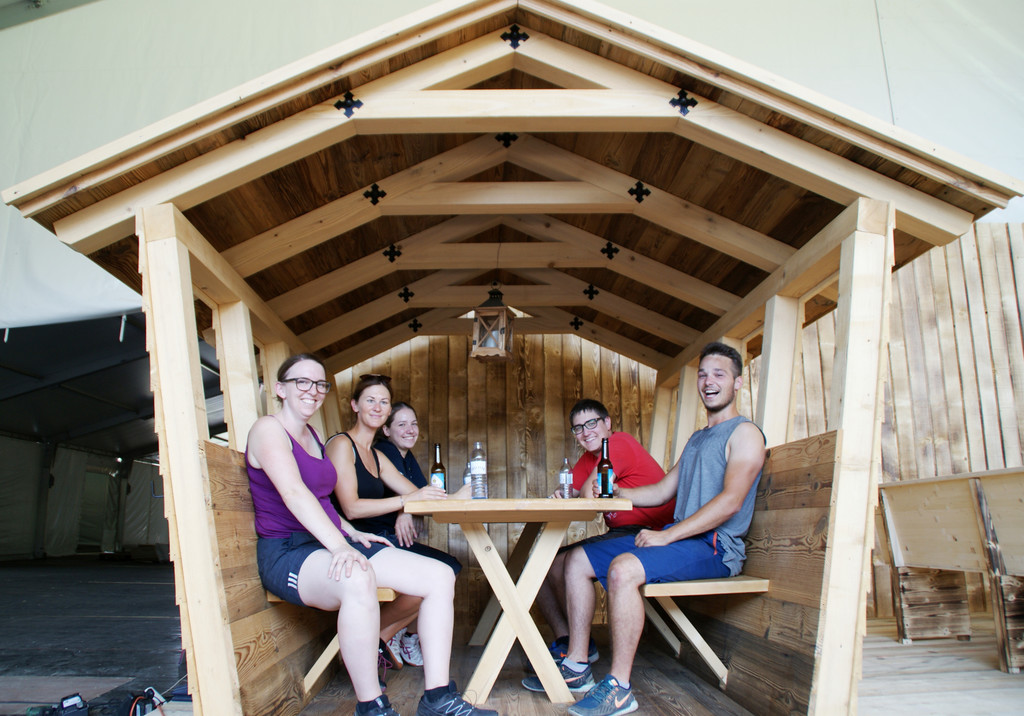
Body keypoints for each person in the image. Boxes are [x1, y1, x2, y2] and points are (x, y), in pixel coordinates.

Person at [247, 355, 497, 716]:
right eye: (302, 382)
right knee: (357, 576)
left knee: (440, 575)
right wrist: (340, 544)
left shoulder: (312, 437)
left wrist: (351, 534)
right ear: (280, 389)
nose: (312, 391)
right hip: (288, 551)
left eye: (319, 385)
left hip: (328, 542)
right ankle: (372, 707)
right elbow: (294, 494)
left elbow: (322, 501)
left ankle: (437, 699)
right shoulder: (268, 430)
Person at [542, 342, 767, 716]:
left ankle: (619, 688)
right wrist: (620, 493)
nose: (709, 382)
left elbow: (731, 502)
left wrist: (667, 535)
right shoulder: (698, 438)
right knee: (577, 560)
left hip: (716, 545)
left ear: (738, 382)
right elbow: (663, 490)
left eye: (719, 374)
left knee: (623, 569)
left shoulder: (745, 434)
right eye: (703, 375)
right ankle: (578, 665)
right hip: (684, 539)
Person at [527, 399, 674, 682]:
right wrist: (561, 492)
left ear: (607, 423)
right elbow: (569, 491)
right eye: (578, 428)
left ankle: (578, 663)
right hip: (623, 533)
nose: (585, 432)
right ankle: (570, 642)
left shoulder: (618, 443)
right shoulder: (588, 459)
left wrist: (574, 491)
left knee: (573, 560)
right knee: (544, 563)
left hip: (652, 534)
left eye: (591, 423)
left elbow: (587, 496)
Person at [339, 398, 464, 668]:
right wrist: (406, 507)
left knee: (447, 569)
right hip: (373, 538)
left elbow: (421, 495)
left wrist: (408, 509)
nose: (410, 430)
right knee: (442, 572)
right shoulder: (385, 451)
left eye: (414, 424)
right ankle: (383, 636)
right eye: (402, 424)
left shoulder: (405, 457)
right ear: (386, 430)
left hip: (388, 536)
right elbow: (411, 496)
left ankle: (394, 635)